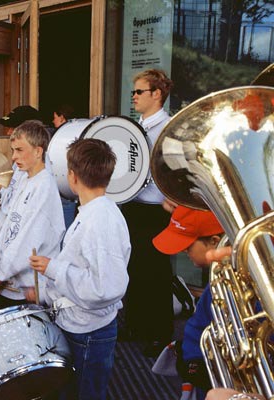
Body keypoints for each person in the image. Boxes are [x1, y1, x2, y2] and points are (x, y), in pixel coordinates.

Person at [28, 138, 130, 400]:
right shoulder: (94, 211)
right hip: (80, 325)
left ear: (72, 177)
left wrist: (53, 268)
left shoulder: (100, 220)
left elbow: (104, 288)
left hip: (89, 331)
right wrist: (47, 291)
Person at [0, 120, 65, 311]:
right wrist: (0, 270)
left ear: (38, 151)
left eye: (19, 150)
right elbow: (10, 227)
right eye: (13, 150)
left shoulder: (44, 186)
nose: (14, 157)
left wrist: (0, 274)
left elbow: (28, 239)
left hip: (29, 290)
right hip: (11, 281)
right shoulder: (26, 180)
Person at [121, 68, 175, 356]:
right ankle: (135, 324)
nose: (134, 96)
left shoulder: (168, 128)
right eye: (133, 92)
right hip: (133, 205)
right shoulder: (136, 127)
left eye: (139, 91)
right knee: (133, 267)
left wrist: (171, 200)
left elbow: (176, 170)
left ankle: (160, 334)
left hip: (156, 210)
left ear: (156, 94)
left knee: (156, 272)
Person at [152, 205, 224, 400]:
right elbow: (198, 326)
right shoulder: (216, 285)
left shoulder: (224, 284)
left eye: (188, 245)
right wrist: (193, 360)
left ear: (214, 242)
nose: (183, 251)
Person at [0, 105, 42, 232]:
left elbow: (17, 204)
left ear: (30, 132)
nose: (8, 132)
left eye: (13, 128)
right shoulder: (22, 162)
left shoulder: (36, 168)